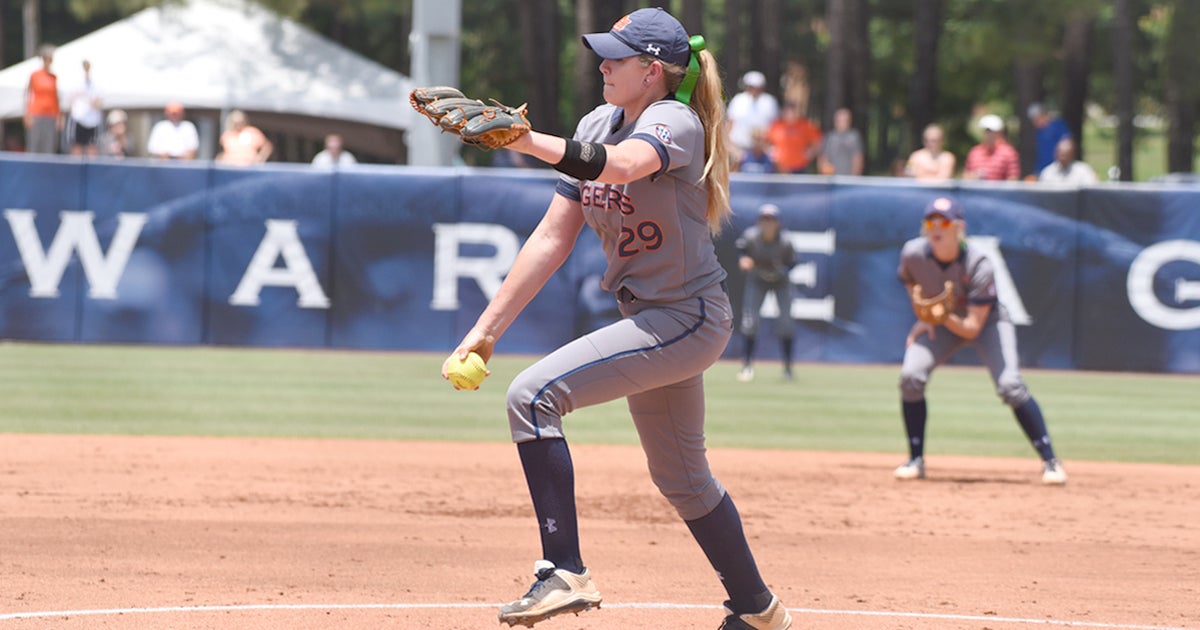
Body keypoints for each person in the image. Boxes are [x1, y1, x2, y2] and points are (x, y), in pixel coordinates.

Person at [440, 7, 792, 629]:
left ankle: (563, 570)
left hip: (687, 315)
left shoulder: (675, 121)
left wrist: (521, 140)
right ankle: (757, 609)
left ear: (652, 71)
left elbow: (623, 166)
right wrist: (485, 331)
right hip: (657, 317)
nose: (603, 64)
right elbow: (552, 237)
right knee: (683, 480)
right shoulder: (598, 120)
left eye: (617, 56)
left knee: (533, 397)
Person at [894, 196, 1068, 486]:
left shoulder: (978, 263)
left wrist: (940, 315)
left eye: (944, 221)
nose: (937, 227)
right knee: (910, 376)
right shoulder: (913, 253)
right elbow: (911, 284)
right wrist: (925, 315)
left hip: (986, 322)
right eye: (930, 221)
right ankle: (915, 459)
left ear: (959, 227)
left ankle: (1051, 461)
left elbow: (973, 327)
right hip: (944, 321)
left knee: (1010, 385)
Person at [735, 203, 796, 382]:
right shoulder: (751, 236)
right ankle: (746, 366)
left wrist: (781, 270)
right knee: (750, 321)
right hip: (758, 280)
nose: (767, 223)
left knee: (785, 322)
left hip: (781, 282)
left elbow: (792, 263)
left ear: (778, 223)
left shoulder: (786, 241)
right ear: (759, 222)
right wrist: (743, 259)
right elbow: (741, 250)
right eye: (764, 219)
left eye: (771, 219)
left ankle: (787, 368)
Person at [725, 70, 779, 161]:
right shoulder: (738, 100)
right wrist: (731, 148)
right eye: (751, 86)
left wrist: (770, 148)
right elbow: (729, 124)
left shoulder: (770, 102)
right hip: (739, 150)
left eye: (758, 87)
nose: (754, 89)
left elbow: (776, 127)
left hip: (763, 152)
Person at [23, 45, 62, 155]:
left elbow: (55, 97)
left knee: (49, 146)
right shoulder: (35, 75)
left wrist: (59, 115)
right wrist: (27, 113)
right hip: (36, 114)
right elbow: (28, 93)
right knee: (34, 144)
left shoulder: (53, 77)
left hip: (50, 115)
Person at [767, 101, 822, 174]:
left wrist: (811, 152)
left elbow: (818, 140)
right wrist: (770, 151)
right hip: (780, 167)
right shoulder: (776, 125)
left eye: (792, 111)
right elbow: (766, 141)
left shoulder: (805, 125)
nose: (790, 114)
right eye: (787, 111)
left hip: (800, 167)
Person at [963, 114, 1019, 181]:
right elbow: (965, 176)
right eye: (986, 131)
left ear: (999, 133)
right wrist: (974, 176)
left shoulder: (1008, 153)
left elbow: (1012, 179)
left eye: (991, 131)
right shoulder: (974, 152)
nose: (989, 134)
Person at [66, 60, 103, 157]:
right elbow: (70, 102)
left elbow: (98, 102)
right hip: (78, 120)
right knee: (76, 149)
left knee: (92, 149)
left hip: (92, 122)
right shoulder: (75, 83)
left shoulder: (96, 84)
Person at [1027, 102, 1071, 176]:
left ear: (1042, 115)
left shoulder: (1058, 125)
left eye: (1036, 119)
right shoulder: (1039, 132)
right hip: (1043, 171)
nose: (1034, 123)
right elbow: (1041, 155)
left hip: (1058, 169)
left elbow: (1067, 144)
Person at [817, 107, 864, 175]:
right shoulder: (829, 137)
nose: (842, 122)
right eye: (839, 120)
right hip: (831, 179)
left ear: (849, 121)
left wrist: (854, 177)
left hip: (848, 178)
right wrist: (824, 174)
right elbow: (823, 157)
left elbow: (858, 158)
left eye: (845, 120)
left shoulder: (854, 137)